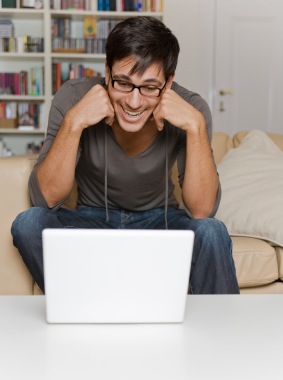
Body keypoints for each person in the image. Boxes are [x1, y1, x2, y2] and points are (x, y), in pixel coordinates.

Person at [11, 16, 239, 295]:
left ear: (168, 83)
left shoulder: (191, 108)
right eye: (123, 83)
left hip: (160, 220)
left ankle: (222, 335)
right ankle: (90, 306)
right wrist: (75, 122)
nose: (134, 101)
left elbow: (202, 211)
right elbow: (44, 199)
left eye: (150, 87)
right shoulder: (73, 97)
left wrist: (196, 127)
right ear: (107, 73)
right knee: (29, 222)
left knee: (212, 232)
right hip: (91, 220)